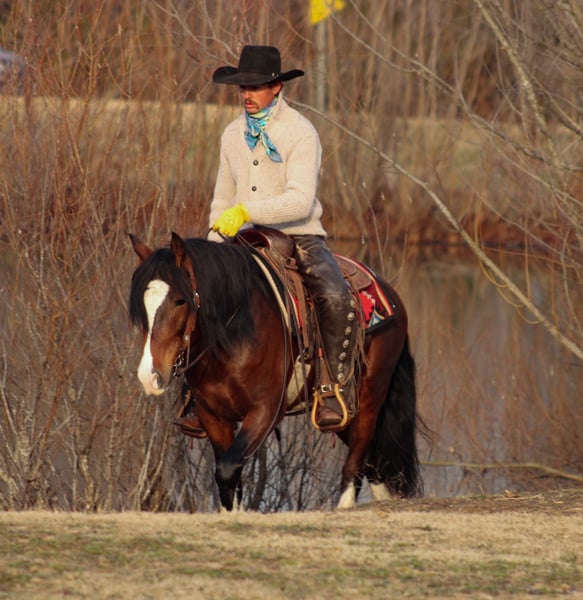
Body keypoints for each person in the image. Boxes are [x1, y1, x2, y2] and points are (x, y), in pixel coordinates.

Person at [175, 45, 360, 435]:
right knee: (193, 291)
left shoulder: (300, 132)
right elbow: (222, 198)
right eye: (243, 87)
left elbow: (300, 200)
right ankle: (196, 393)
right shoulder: (231, 134)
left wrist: (247, 211)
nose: (247, 94)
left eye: (256, 87)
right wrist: (213, 242)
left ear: (276, 87)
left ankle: (332, 388)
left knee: (333, 294)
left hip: (299, 234)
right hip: (241, 239)